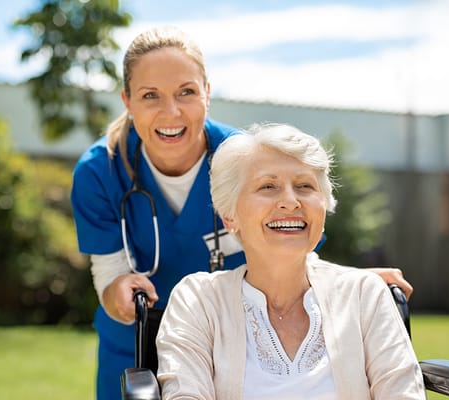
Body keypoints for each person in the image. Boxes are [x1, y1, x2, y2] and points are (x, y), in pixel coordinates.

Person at [70, 26, 414, 400]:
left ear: (207, 94)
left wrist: (350, 288)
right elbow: (108, 272)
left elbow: (293, 237)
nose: (171, 111)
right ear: (128, 101)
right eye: (150, 96)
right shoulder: (99, 172)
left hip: (232, 332)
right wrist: (118, 292)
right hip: (136, 338)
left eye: (187, 92)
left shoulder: (246, 161)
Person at [156, 123, 425, 399]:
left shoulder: (363, 294)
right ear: (229, 216)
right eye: (268, 186)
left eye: (304, 186)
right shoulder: (197, 301)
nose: (290, 201)